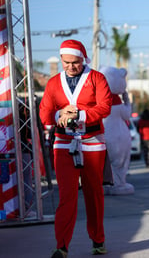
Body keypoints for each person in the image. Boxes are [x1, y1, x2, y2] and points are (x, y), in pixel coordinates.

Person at [39, 40, 112, 257]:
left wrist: (79, 114)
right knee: (67, 196)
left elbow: (105, 106)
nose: (71, 66)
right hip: (64, 143)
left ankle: (98, 240)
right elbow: (44, 114)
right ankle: (61, 246)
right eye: (67, 62)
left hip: (92, 142)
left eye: (76, 62)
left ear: (84, 59)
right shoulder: (53, 83)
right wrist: (59, 115)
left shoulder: (97, 78)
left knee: (94, 193)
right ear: (61, 59)